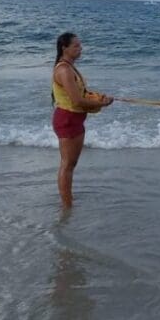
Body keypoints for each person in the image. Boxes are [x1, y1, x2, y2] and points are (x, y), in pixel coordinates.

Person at [51, 32, 114, 207]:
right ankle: (66, 204)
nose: (80, 49)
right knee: (67, 164)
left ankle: (67, 199)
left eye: (80, 45)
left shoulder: (70, 68)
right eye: (76, 46)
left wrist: (98, 98)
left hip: (75, 119)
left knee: (71, 163)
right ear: (65, 48)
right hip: (67, 119)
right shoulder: (64, 70)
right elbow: (77, 101)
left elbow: (81, 94)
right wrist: (103, 104)